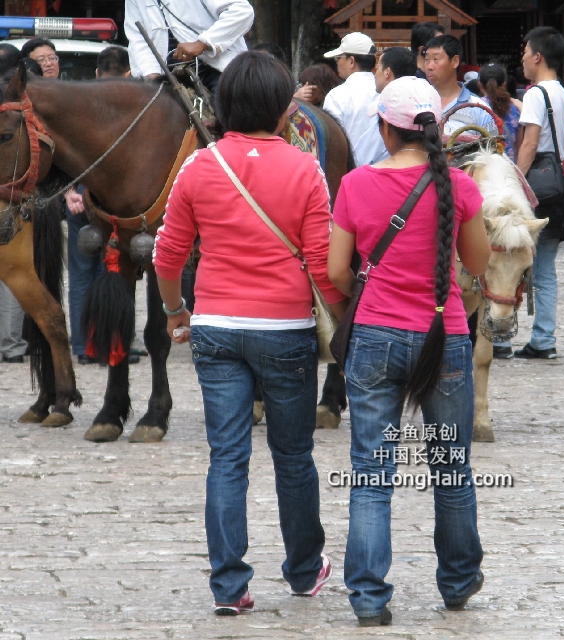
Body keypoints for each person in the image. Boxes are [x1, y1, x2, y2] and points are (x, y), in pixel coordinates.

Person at [153, 50, 347, 615]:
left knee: (227, 457)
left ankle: (229, 586)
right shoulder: (305, 169)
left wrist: (174, 312)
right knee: (294, 457)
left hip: (214, 327)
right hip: (285, 329)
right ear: (284, 109)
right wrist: (342, 321)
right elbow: (319, 261)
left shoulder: (199, 166)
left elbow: (168, 255)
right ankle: (305, 569)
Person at [328, 76, 490, 626]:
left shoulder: (354, 184)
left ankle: (370, 599)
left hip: (374, 336)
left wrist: (370, 293)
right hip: (444, 337)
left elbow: (334, 271)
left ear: (385, 130)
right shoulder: (460, 188)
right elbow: (478, 264)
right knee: (452, 467)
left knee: (371, 473)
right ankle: (459, 579)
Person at [64, 46, 137, 365]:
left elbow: (64, 150)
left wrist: (71, 190)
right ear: (128, 74)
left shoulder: (78, 106)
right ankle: (111, 344)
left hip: (80, 198)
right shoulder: (133, 107)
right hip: (114, 204)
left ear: (95, 73)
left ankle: (83, 345)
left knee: (81, 275)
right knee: (117, 271)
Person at [512, 27, 564, 360]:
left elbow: (530, 144)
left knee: (508, 262)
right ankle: (544, 338)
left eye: (525, 51)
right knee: (546, 269)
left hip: (537, 187)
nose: (522, 57)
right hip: (557, 185)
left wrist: (516, 184)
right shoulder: (562, 92)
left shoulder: (536, 94)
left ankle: (502, 337)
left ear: (538, 56)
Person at [124, 0, 254, 95]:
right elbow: (138, 40)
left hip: (217, 67)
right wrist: (152, 79)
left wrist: (203, 43)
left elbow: (241, 12)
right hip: (168, 76)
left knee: (226, 118)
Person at [0, 44, 28, 364]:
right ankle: (11, 346)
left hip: (11, 193)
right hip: (13, 193)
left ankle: (10, 345)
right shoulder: (20, 100)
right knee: (12, 271)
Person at [322, 32, 388, 166]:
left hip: (349, 171)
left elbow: (331, 141)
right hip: (386, 170)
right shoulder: (388, 92)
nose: (337, 63)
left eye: (339, 58)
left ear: (351, 61)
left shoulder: (337, 95)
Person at [423, 35, 496, 137]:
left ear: (455, 61)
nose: (429, 66)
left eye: (436, 59)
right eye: (426, 59)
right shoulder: (418, 101)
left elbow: (493, 147)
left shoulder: (479, 108)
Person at [479, 63, 523, 162]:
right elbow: (519, 147)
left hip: (486, 169)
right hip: (510, 169)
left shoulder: (476, 107)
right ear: (504, 84)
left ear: (480, 85)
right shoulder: (516, 108)